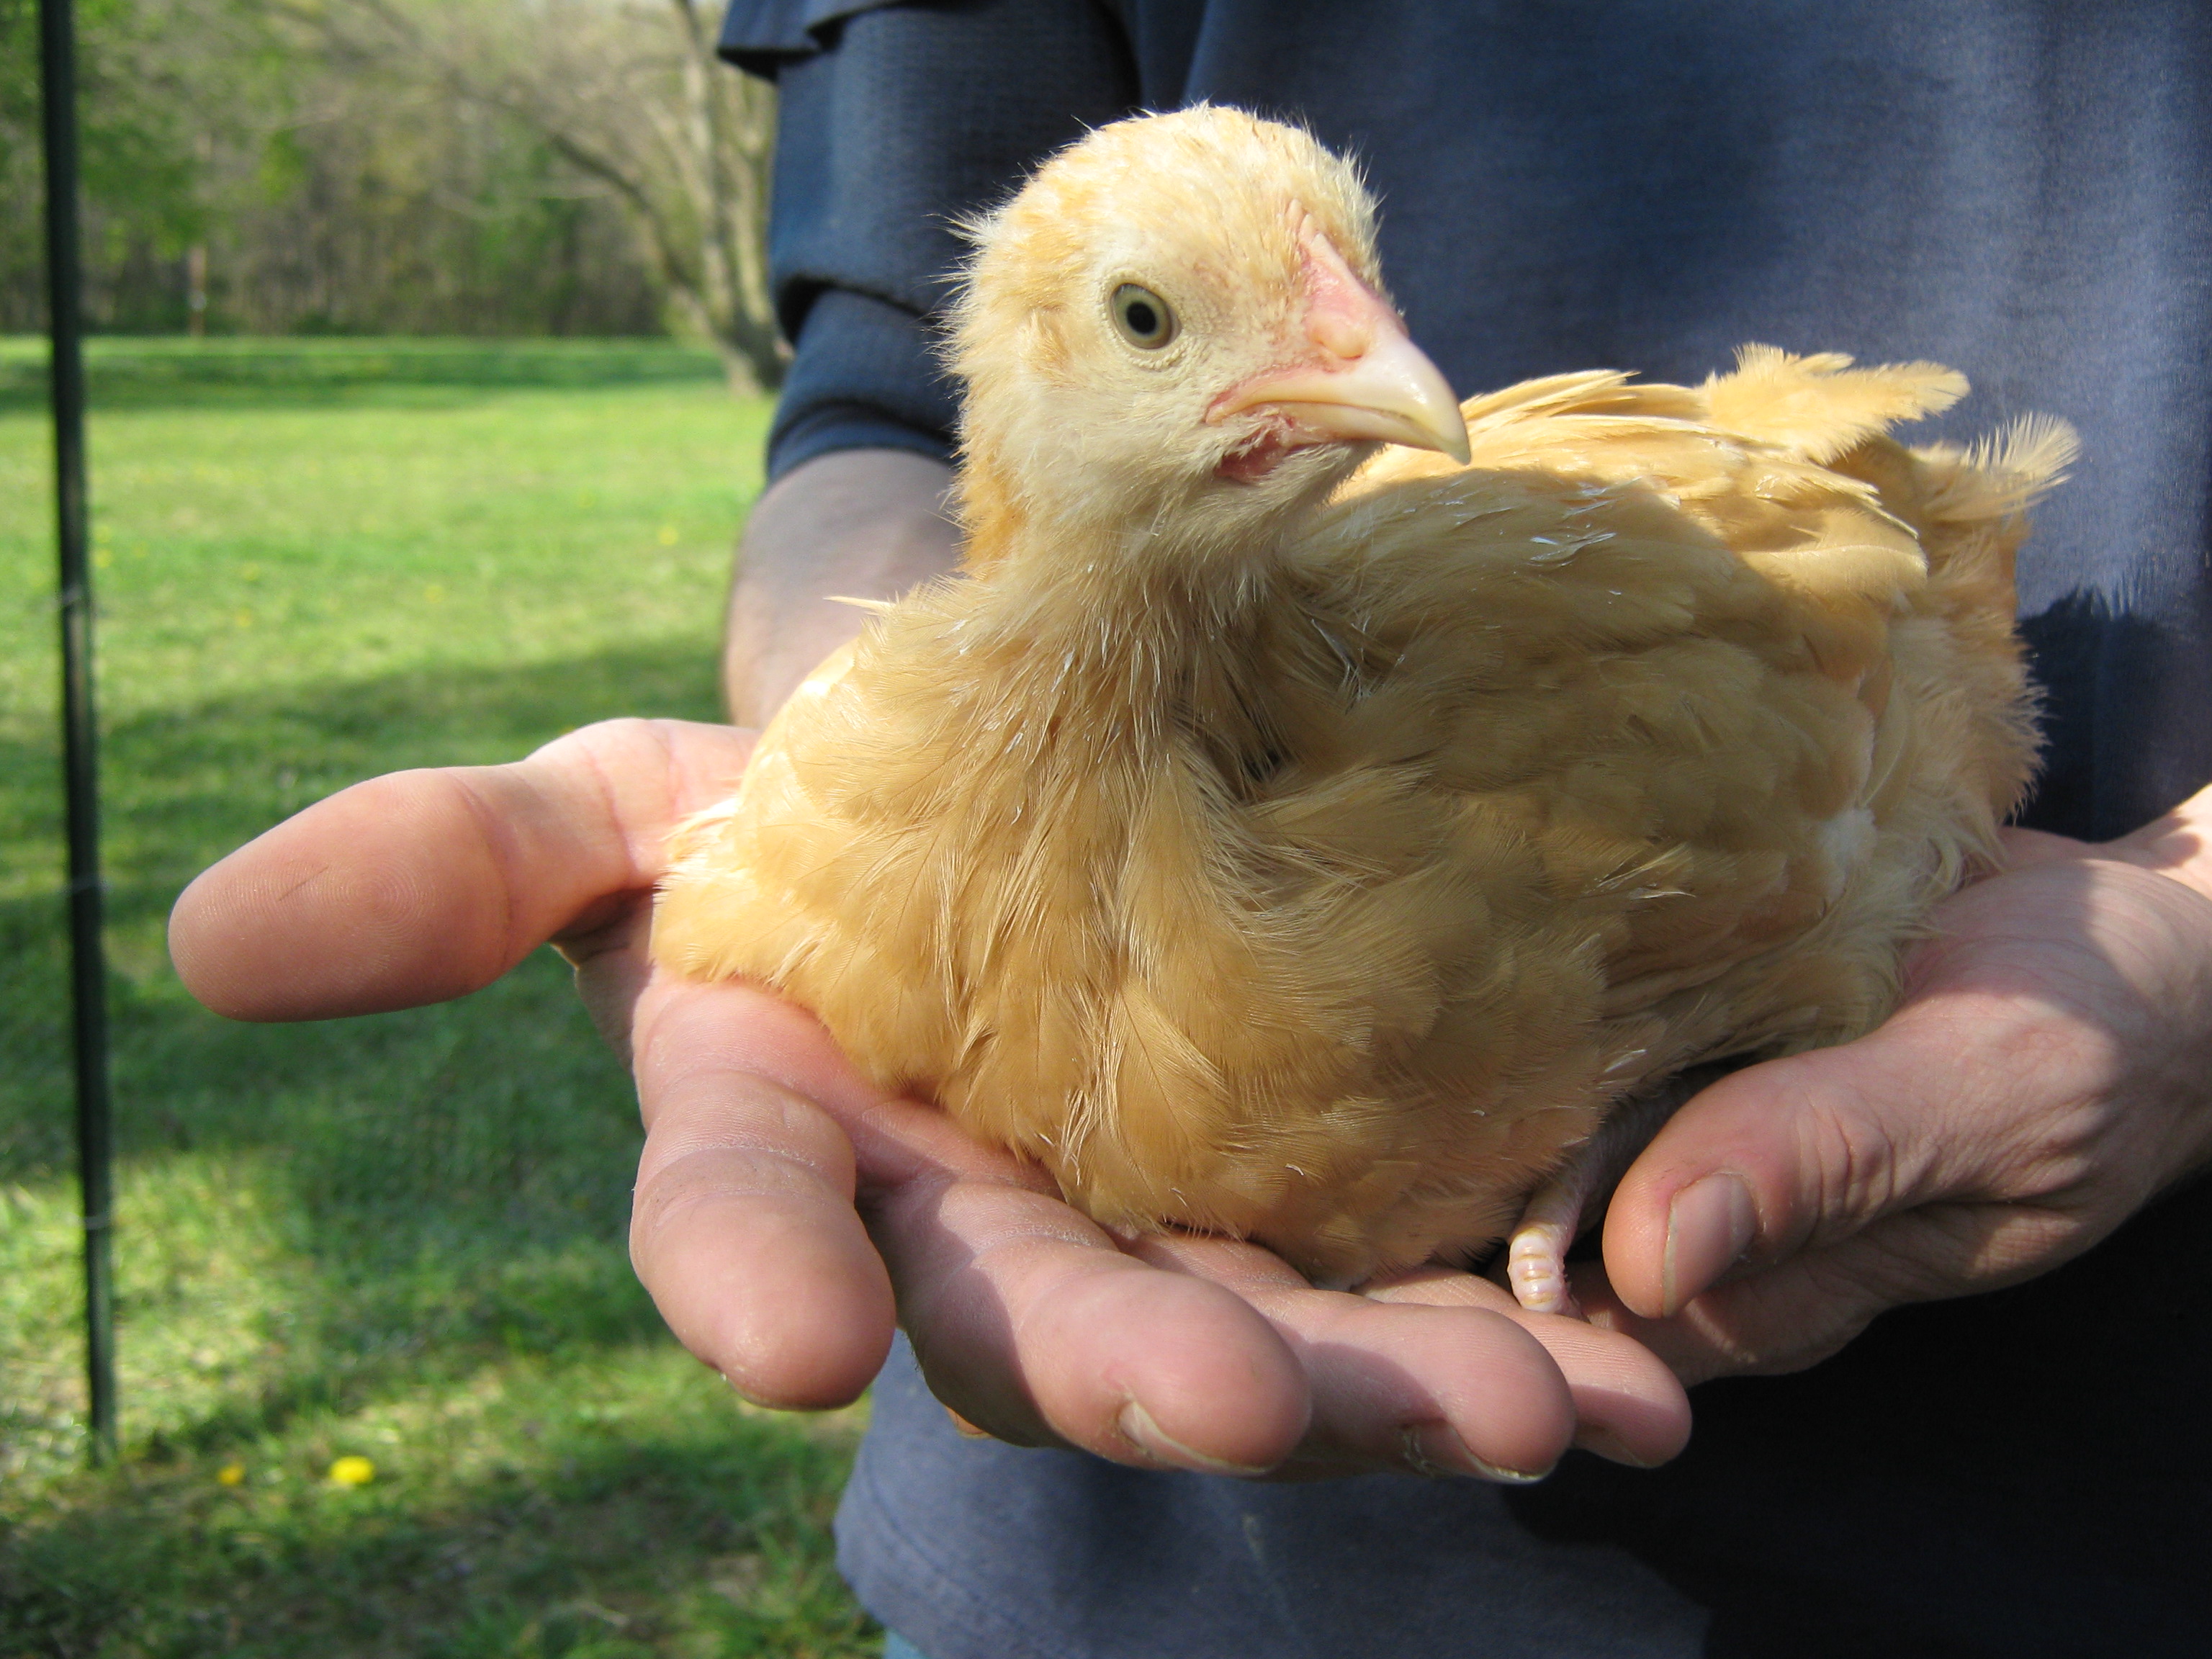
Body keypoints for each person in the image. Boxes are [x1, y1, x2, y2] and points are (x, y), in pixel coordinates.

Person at [171, 3, 2212, 1654]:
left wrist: (2186, 941)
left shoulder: (1519, 801)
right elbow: (870, 401)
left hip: (2063, 1517)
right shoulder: (850, 795)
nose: (1384, 366)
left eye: (1355, 300)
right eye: (1161, 326)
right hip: (1093, 1575)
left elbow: (1884, 636)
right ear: (1042, 375)